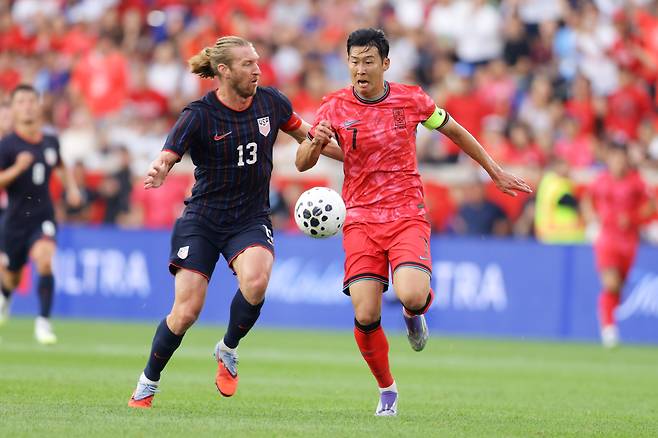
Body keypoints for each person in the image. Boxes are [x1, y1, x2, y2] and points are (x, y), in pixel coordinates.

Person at [296, 28, 531, 416]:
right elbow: (303, 162)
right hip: (360, 218)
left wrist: (494, 171)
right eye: (354, 62)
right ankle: (386, 389)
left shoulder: (412, 99)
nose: (360, 69)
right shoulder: (333, 107)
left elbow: (454, 130)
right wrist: (315, 141)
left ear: (385, 63)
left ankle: (413, 314)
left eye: (368, 61)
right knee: (365, 314)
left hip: (406, 213)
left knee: (412, 295)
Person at [128, 36, 342, 408]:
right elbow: (168, 155)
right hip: (203, 220)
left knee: (256, 282)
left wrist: (360, 160)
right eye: (247, 64)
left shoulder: (272, 102)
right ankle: (148, 382)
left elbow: (309, 138)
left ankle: (227, 348)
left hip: (250, 217)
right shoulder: (199, 114)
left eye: (257, 62)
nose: (257, 70)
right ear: (224, 71)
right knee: (186, 312)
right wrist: (159, 169)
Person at [0, 84, 81, 343]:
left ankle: (43, 323)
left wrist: (71, 188)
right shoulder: (7, 145)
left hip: (43, 216)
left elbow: (60, 165)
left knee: (45, 260)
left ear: (38, 105)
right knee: (12, 276)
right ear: (13, 109)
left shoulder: (50, 141)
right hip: (14, 222)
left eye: (31, 101)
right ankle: (5, 296)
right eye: (21, 101)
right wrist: (17, 169)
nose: (27, 106)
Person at [582, 139, 654, 348]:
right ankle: (608, 328)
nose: (618, 162)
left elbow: (650, 206)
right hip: (607, 239)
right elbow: (587, 200)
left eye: (621, 158)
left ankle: (608, 317)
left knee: (617, 288)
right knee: (610, 283)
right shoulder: (601, 180)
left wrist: (633, 218)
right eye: (614, 157)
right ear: (609, 159)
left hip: (629, 242)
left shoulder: (636, 182)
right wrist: (591, 217)